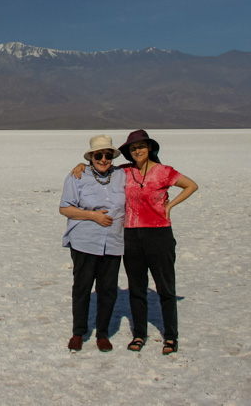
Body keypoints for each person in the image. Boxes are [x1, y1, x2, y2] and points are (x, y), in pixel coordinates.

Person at [73, 129, 198, 355]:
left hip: (159, 235)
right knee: (137, 289)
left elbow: (191, 185)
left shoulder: (164, 171)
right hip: (130, 235)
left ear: (149, 147)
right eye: (133, 148)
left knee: (166, 288)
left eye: (141, 146)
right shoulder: (124, 172)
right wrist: (80, 166)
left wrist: (170, 206)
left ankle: (170, 337)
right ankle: (139, 334)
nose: (137, 150)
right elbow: (100, 167)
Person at [59, 134, 127, 352]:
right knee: (82, 288)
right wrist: (93, 216)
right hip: (85, 241)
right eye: (99, 155)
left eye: (108, 155)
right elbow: (65, 208)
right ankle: (78, 332)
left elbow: (144, 170)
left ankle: (103, 333)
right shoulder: (77, 176)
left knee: (108, 289)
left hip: (114, 241)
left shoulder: (121, 175)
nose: (104, 159)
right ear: (91, 157)